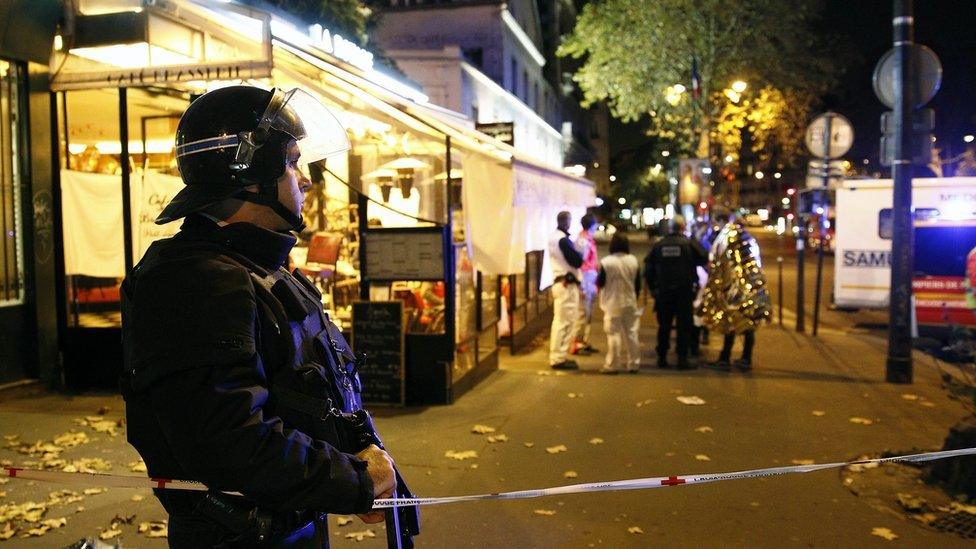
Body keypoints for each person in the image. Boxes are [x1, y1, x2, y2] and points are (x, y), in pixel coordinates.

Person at [120, 86, 400, 547]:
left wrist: (361, 455)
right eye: (291, 161)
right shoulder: (195, 279)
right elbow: (228, 440)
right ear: (251, 173)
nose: (306, 179)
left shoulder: (256, 267)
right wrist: (352, 480)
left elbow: (304, 394)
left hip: (288, 525)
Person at [699, 212, 772, 371]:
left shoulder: (727, 236)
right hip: (750, 287)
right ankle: (746, 358)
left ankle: (725, 358)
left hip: (732, 289)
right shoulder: (748, 238)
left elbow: (718, 261)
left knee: (730, 323)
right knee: (748, 323)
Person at [644, 215, 708, 370]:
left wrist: (653, 289)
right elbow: (704, 258)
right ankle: (682, 358)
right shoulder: (688, 244)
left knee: (664, 325)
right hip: (684, 292)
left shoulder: (659, 245)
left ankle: (662, 357)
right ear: (682, 228)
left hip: (664, 292)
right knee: (683, 326)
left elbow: (648, 269)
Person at [597, 234, 642, 374]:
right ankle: (634, 363)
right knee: (631, 333)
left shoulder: (606, 262)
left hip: (612, 303)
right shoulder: (633, 260)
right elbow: (638, 283)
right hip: (630, 301)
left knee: (613, 334)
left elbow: (600, 282)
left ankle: (612, 365)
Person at [548, 210, 585, 370]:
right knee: (565, 322)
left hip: (559, 283)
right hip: (566, 284)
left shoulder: (553, 237)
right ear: (567, 222)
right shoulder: (563, 240)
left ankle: (558, 356)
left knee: (560, 321)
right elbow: (577, 261)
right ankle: (558, 358)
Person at [572, 213, 600, 355]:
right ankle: (577, 342)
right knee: (583, 312)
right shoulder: (583, 241)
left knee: (587, 312)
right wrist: (582, 285)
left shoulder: (587, 240)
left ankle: (583, 340)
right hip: (586, 279)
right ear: (591, 225)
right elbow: (580, 264)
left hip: (590, 279)